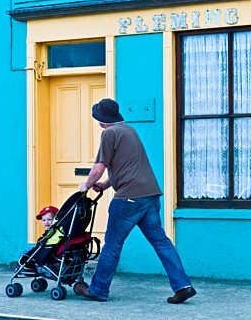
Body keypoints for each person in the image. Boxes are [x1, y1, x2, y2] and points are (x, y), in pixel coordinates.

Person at [76, 98, 196, 304]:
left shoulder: (109, 134)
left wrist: (86, 185)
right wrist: (105, 185)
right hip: (149, 195)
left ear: (100, 119)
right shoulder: (129, 131)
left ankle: (98, 289)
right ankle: (183, 286)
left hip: (129, 199)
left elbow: (99, 166)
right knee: (161, 241)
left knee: (112, 245)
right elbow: (126, 165)